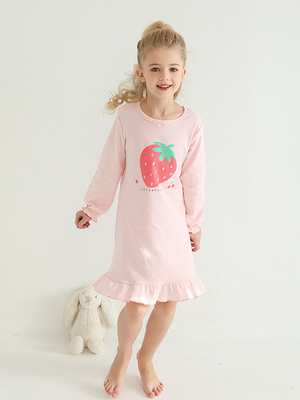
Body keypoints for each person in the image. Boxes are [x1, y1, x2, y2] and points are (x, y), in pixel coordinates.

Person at [74, 21, 206, 399]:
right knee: (138, 304)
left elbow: (194, 178)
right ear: (141, 73)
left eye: (172, 69)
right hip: (138, 227)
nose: (164, 76)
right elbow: (110, 167)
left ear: (183, 73)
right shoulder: (128, 117)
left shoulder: (191, 123)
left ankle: (146, 359)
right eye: (155, 68)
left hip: (173, 230)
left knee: (168, 301)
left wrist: (194, 224)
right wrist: (92, 208)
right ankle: (124, 353)